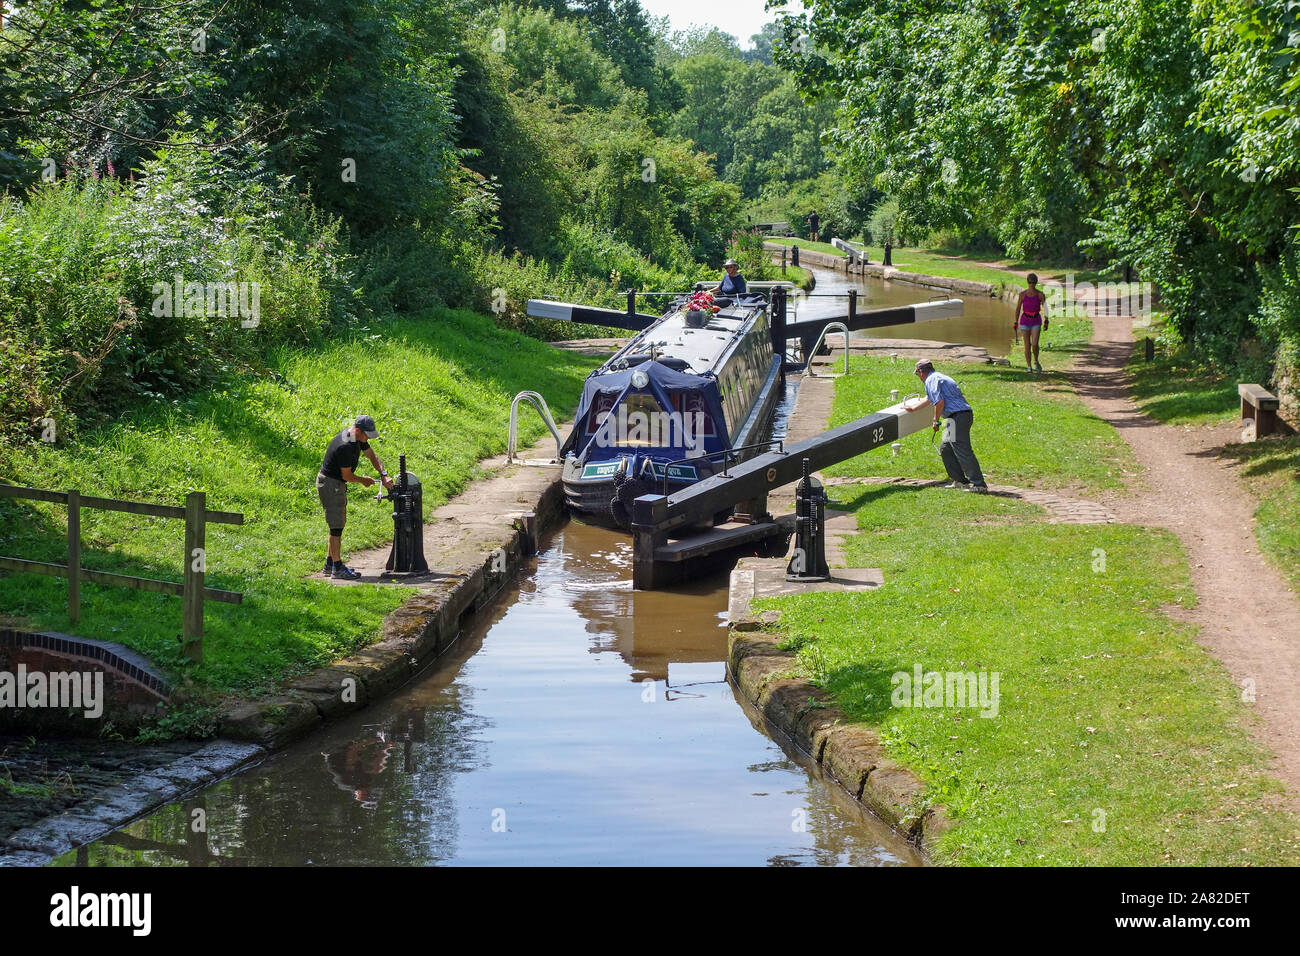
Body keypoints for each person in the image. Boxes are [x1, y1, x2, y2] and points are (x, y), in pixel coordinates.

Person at [317, 414, 394, 579]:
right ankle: (337, 569)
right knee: (336, 527)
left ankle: (330, 563)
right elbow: (347, 476)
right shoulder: (345, 446)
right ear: (358, 430)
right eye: (367, 435)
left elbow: (372, 455)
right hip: (331, 484)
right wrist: (363, 480)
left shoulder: (357, 438)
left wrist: (383, 474)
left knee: (338, 523)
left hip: (336, 483)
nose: (368, 438)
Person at [914, 359, 988, 493]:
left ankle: (979, 485)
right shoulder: (938, 377)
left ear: (921, 372)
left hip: (958, 417)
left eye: (917, 374)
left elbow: (939, 402)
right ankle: (960, 481)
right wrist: (913, 409)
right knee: (946, 448)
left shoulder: (931, 380)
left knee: (962, 450)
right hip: (957, 417)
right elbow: (929, 399)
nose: (918, 377)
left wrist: (935, 420)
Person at [1013, 273, 1049, 372]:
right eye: (1030, 282)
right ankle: (1029, 366)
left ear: (1036, 283)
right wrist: (1015, 322)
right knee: (1027, 345)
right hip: (1025, 321)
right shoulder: (1023, 295)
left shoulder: (1040, 295)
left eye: (1033, 283)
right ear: (1028, 282)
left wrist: (1046, 320)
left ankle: (1036, 361)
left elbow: (1045, 308)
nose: (1031, 284)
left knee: (1034, 344)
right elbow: (1017, 309)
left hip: (1036, 320)